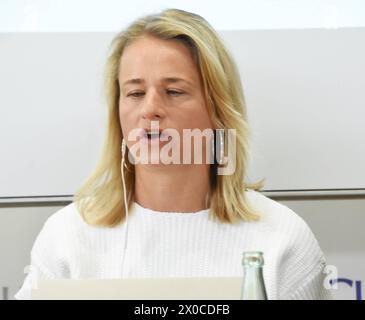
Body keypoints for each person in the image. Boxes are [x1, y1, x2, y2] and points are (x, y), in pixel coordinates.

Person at [15, 8, 333, 300]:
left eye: (174, 91)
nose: (150, 109)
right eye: (135, 93)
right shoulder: (67, 236)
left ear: (219, 111)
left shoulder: (282, 239)